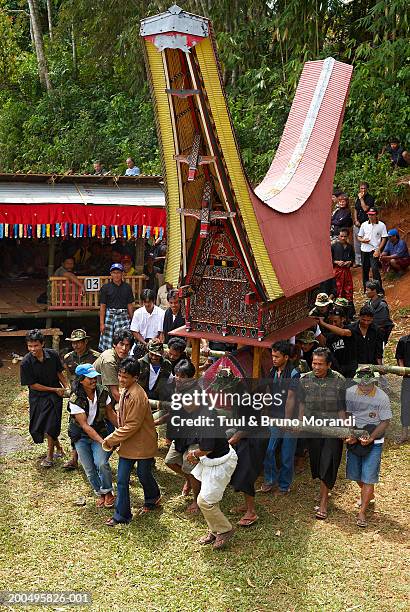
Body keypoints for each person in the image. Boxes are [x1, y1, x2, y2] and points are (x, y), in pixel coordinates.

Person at [103, 358, 160, 526]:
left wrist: (111, 439)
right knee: (121, 480)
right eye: (120, 375)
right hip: (129, 443)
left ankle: (152, 497)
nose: (121, 380)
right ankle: (122, 515)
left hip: (142, 443)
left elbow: (132, 425)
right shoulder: (127, 391)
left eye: (125, 377)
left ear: (135, 377)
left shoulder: (137, 395)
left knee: (143, 474)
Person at [297, 347, 346, 520]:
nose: (316, 367)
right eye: (314, 363)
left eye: (320, 364)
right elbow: (301, 403)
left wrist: (343, 428)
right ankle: (323, 491)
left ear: (329, 364)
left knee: (328, 463)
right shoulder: (305, 380)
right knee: (317, 463)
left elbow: (341, 407)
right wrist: (300, 422)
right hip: (312, 428)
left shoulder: (339, 380)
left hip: (332, 429)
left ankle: (323, 502)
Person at [345, 372, 392, 527]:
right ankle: (368, 494)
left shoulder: (382, 397)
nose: (363, 386)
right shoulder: (350, 392)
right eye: (360, 383)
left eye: (366, 383)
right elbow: (348, 414)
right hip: (356, 436)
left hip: (375, 439)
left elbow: (385, 421)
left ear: (373, 382)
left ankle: (362, 512)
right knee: (354, 474)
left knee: (368, 476)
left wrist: (372, 437)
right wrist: (350, 433)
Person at [68, 364, 117, 508]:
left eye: (94, 377)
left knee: (101, 463)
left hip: (99, 431)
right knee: (89, 469)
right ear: (81, 380)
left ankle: (108, 492)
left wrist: (122, 429)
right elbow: (85, 426)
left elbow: (110, 413)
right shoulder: (75, 398)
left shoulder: (103, 391)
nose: (94, 380)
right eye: (90, 378)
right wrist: (103, 442)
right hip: (81, 436)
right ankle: (100, 493)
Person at [186, 414, 238, 550]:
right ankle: (215, 531)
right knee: (211, 499)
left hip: (222, 463)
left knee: (205, 501)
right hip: (211, 461)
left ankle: (226, 529)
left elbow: (207, 448)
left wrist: (194, 454)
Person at [20, 329, 70, 467]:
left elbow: (59, 372)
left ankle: (49, 457)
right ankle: (59, 448)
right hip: (38, 396)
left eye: (35, 345)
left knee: (50, 425)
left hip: (54, 396)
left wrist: (66, 387)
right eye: (30, 346)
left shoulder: (53, 355)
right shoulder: (25, 362)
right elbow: (33, 385)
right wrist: (55, 389)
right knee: (39, 426)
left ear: (42, 344)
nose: (33, 349)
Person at [259, 341, 300, 495]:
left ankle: (284, 485)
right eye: (272, 356)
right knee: (269, 450)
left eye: (277, 356)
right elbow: (268, 392)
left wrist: (286, 420)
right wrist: (266, 410)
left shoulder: (294, 374)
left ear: (286, 357)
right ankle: (270, 480)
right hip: (274, 417)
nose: (274, 359)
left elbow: (291, 399)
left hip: (289, 419)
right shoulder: (272, 371)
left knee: (287, 455)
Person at [163, 359, 201, 513]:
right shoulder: (177, 389)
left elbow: (191, 408)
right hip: (180, 434)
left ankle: (197, 501)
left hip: (195, 435)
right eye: (176, 375)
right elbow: (172, 412)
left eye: (181, 376)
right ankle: (189, 481)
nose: (177, 378)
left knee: (189, 466)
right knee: (169, 461)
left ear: (190, 377)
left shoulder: (197, 390)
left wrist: (179, 392)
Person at [63, 329, 100, 471]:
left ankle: (92, 457)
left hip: (92, 397)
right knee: (74, 427)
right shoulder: (68, 358)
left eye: (79, 342)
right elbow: (68, 376)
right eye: (73, 343)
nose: (76, 346)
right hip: (76, 398)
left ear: (85, 342)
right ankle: (74, 458)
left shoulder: (96, 357)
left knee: (92, 424)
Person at [318, 305, 383, 370]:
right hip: (353, 368)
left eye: (368, 320)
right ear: (359, 317)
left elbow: (379, 351)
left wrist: (380, 367)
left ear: (372, 319)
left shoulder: (376, 330)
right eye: (363, 320)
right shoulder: (351, 329)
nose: (366, 323)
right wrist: (322, 324)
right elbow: (342, 332)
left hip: (371, 366)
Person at [93, 329, 134, 406]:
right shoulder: (109, 360)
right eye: (121, 344)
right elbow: (115, 393)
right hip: (94, 396)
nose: (124, 348)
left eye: (127, 345)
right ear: (115, 344)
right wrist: (131, 407)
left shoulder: (121, 357)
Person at [98, 263, 134, 352]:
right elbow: (102, 306)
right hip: (110, 315)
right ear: (111, 274)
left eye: (118, 272)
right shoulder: (106, 288)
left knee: (124, 337)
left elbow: (130, 305)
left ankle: (123, 355)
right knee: (108, 340)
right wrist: (102, 323)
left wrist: (133, 320)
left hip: (123, 315)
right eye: (114, 272)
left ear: (122, 274)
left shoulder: (127, 287)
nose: (116, 275)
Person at [357, 207, 388, 293]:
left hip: (374, 250)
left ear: (376, 215)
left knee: (375, 269)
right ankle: (366, 290)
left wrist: (378, 250)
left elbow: (384, 238)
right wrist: (362, 240)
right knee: (365, 270)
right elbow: (359, 236)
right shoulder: (364, 224)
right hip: (364, 250)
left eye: (372, 215)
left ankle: (379, 290)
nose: (370, 216)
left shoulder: (381, 225)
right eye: (369, 215)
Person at [324, 309, 357, 378]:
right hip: (337, 369)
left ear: (343, 319)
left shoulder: (350, 329)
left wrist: (323, 324)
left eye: (335, 321)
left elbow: (342, 332)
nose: (333, 324)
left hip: (351, 369)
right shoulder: (330, 336)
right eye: (331, 322)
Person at [353, 182, 375, 266]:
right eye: (361, 188)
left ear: (367, 189)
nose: (363, 190)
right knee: (357, 243)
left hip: (366, 223)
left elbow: (365, 209)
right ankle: (358, 262)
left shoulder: (370, 198)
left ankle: (366, 261)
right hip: (358, 223)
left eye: (364, 188)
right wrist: (355, 220)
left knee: (366, 241)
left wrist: (361, 199)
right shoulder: (357, 198)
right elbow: (355, 209)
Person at [331, 229, 354, 302]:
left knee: (348, 289)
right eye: (341, 236)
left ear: (347, 237)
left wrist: (349, 262)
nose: (343, 238)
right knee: (337, 289)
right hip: (337, 272)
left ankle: (348, 307)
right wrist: (336, 262)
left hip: (347, 272)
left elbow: (353, 258)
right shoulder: (333, 246)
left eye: (345, 236)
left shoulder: (350, 247)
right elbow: (329, 259)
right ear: (338, 236)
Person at [395, 334, 410, 443]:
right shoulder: (403, 341)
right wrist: (402, 369)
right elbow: (399, 357)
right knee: (405, 404)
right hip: (408, 379)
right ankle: (404, 433)